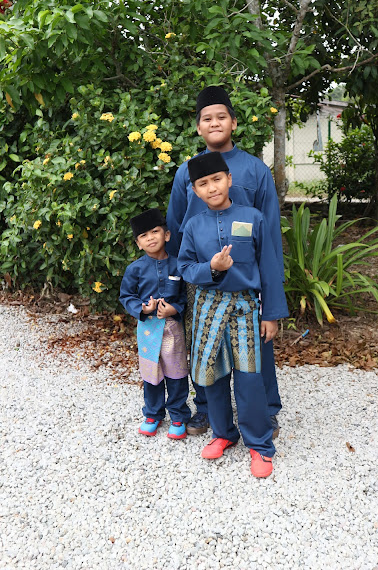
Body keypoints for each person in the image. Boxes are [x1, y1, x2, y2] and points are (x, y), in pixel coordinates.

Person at [167, 85, 288, 438]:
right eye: (207, 118)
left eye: (222, 116)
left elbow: (270, 240)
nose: (215, 123)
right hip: (201, 281)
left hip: (248, 281)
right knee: (204, 347)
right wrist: (178, 283)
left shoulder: (255, 170)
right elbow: (175, 228)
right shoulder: (186, 172)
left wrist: (271, 305)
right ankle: (206, 409)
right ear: (198, 127)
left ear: (234, 123)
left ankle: (266, 410)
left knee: (258, 349)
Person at [177, 152, 288, 477]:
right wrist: (211, 268)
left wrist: (271, 314)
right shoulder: (193, 225)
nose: (211, 188)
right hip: (208, 308)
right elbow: (185, 267)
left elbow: (268, 267)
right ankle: (224, 433)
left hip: (245, 309)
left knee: (250, 378)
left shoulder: (253, 218)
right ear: (195, 190)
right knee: (211, 375)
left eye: (216, 179)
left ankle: (259, 444)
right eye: (203, 183)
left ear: (228, 179)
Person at [119, 208, 191, 439]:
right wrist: (143, 308)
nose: (150, 238)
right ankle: (152, 414)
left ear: (166, 235)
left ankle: (178, 415)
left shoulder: (179, 265)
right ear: (138, 244)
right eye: (143, 236)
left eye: (155, 232)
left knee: (177, 373)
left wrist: (175, 308)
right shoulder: (135, 269)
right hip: (148, 329)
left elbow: (185, 297)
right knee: (151, 372)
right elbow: (126, 296)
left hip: (173, 328)